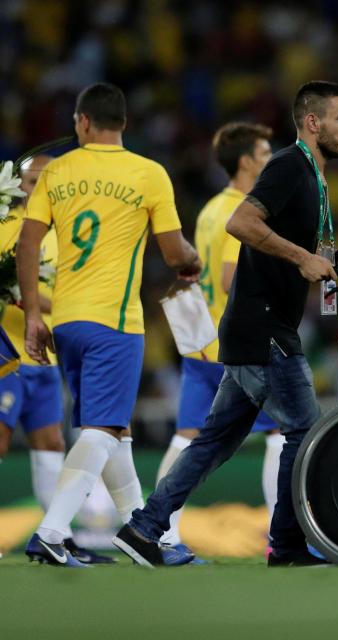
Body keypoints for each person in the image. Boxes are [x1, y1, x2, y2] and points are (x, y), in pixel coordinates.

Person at [113, 80, 338, 567]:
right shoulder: (290, 165)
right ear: (313, 122)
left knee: (212, 443)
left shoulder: (314, 175)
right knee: (305, 433)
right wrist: (300, 258)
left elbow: (301, 245)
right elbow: (241, 223)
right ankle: (288, 546)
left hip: (256, 328)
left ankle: (143, 529)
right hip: (265, 328)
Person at [17, 82, 201, 567]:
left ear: (82, 122)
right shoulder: (148, 173)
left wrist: (35, 314)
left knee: (115, 431)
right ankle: (52, 532)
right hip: (116, 322)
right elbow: (172, 250)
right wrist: (190, 260)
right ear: (123, 124)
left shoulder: (57, 170)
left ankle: (145, 536)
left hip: (68, 322)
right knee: (101, 429)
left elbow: (28, 245)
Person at [156, 122, 285, 558]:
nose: (270, 159)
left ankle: (161, 531)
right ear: (247, 160)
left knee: (186, 436)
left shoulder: (212, 208)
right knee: (279, 433)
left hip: (201, 342)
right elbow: (233, 278)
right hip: (236, 345)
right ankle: (280, 536)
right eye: (266, 153)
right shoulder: (243, 209)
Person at [0, 154, 112, 564]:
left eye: (42, 180)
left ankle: (56, 537)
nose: (34, 188)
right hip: (7, 354)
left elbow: (70, 287)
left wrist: (32, 297)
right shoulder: (6, 226)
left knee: (50, 442)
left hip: (44, 359)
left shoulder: (65, 232)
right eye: (29, 181)